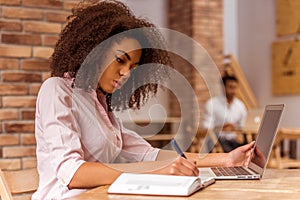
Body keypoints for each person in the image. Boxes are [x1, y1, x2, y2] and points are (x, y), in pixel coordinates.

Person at [32, 1, 254, 199]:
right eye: (120, 60)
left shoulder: (102, 104)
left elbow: (151, 154)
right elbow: (71, 173)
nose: (126, 73)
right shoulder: (57, 91)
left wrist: (226, 159)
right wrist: (154, 172)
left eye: (133, 67)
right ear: (94, 50)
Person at [202, 74, 247, 153]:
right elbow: (206, 127)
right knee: (213, 143)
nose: (233, 90)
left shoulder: (241, 106)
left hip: (234, 140)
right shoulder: (211, 104)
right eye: (230, 87)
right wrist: (221, 128)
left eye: (235, 87)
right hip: (217, 140)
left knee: (248, 147)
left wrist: (234, 128)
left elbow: (243, 125)